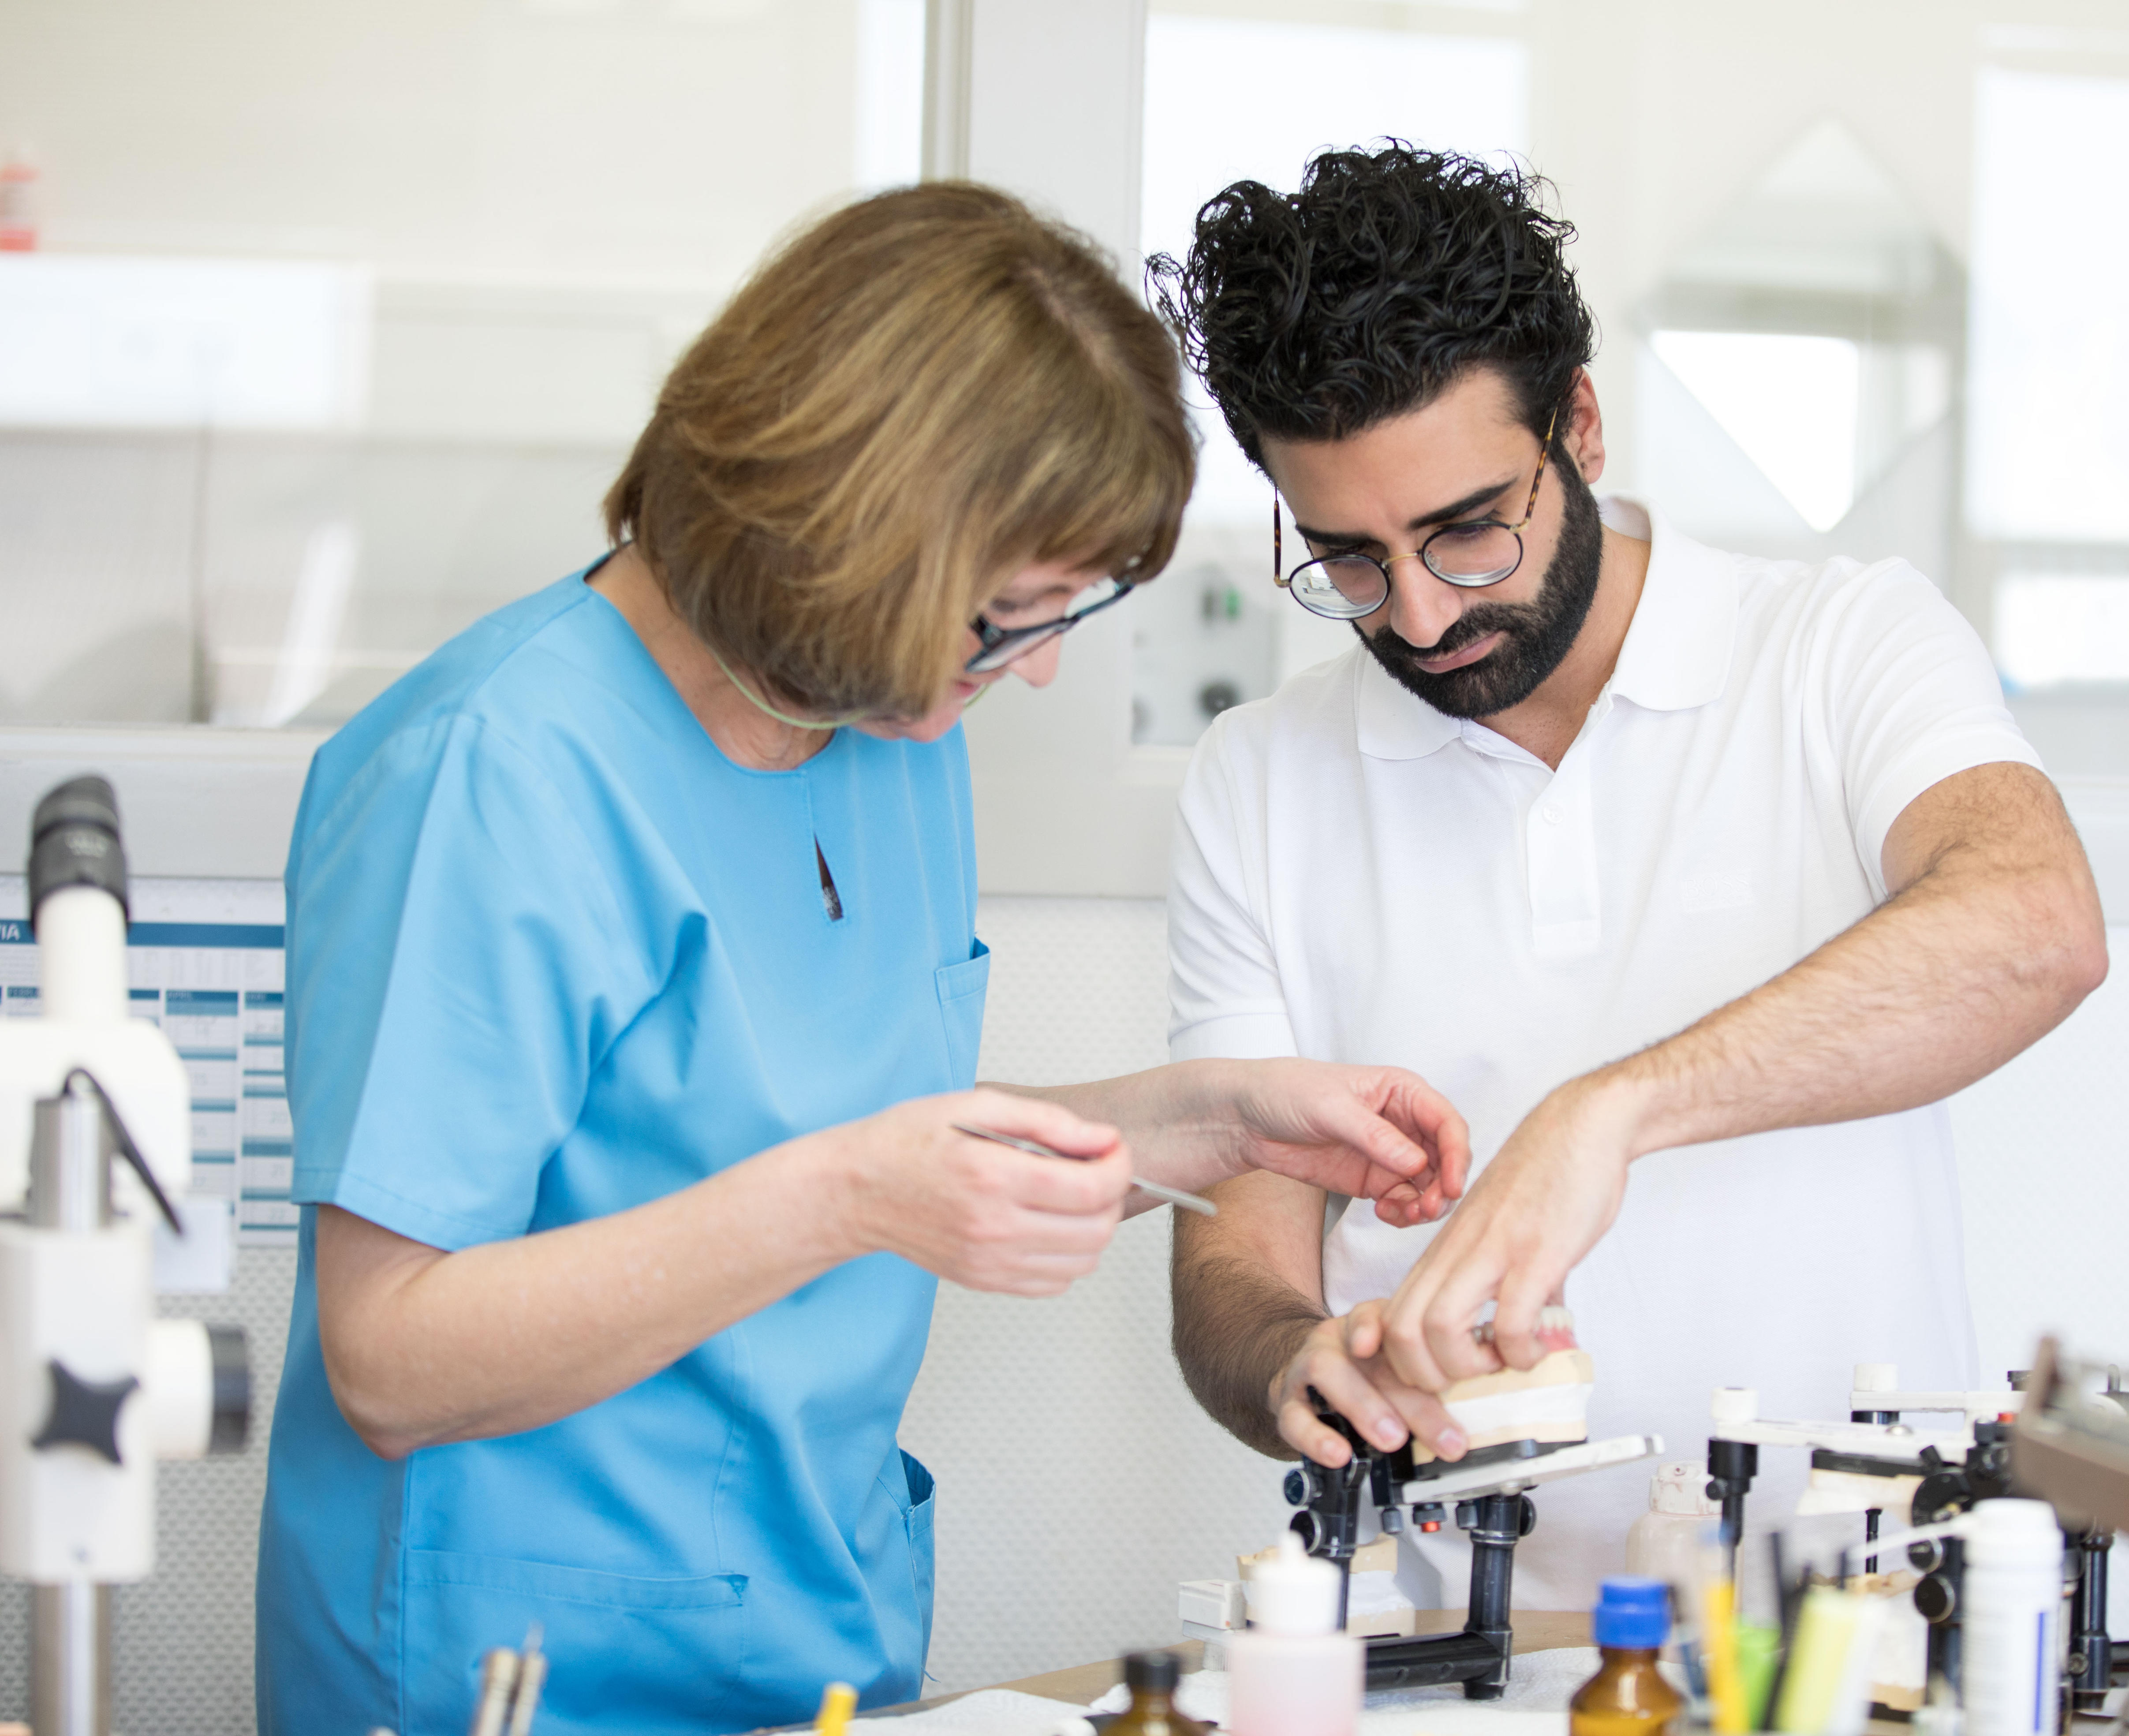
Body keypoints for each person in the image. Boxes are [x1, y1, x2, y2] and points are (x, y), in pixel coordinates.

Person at [254, 183, 1468, 1736]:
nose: (1030, 671)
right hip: (520, 1667)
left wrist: (1193, 1125)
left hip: (810, 1628)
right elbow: (391, 1355)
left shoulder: (884, 719)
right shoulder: (489, 771)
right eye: (1005, 618)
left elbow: (799, 1114)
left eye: (1066, 617)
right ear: (838, 529)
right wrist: (850, 1197)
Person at [1152, 148, 2108, 1609]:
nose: (1416, 614)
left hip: (1856, 1630)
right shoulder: (1259, 778)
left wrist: (1608, 1115)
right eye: (1347, 559)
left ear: (1580, 424)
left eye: (1469, 528)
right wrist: (1303, 1356)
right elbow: (1234, 1263)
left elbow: (2033, 927)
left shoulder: (1840, 647)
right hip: (1481, 1644)